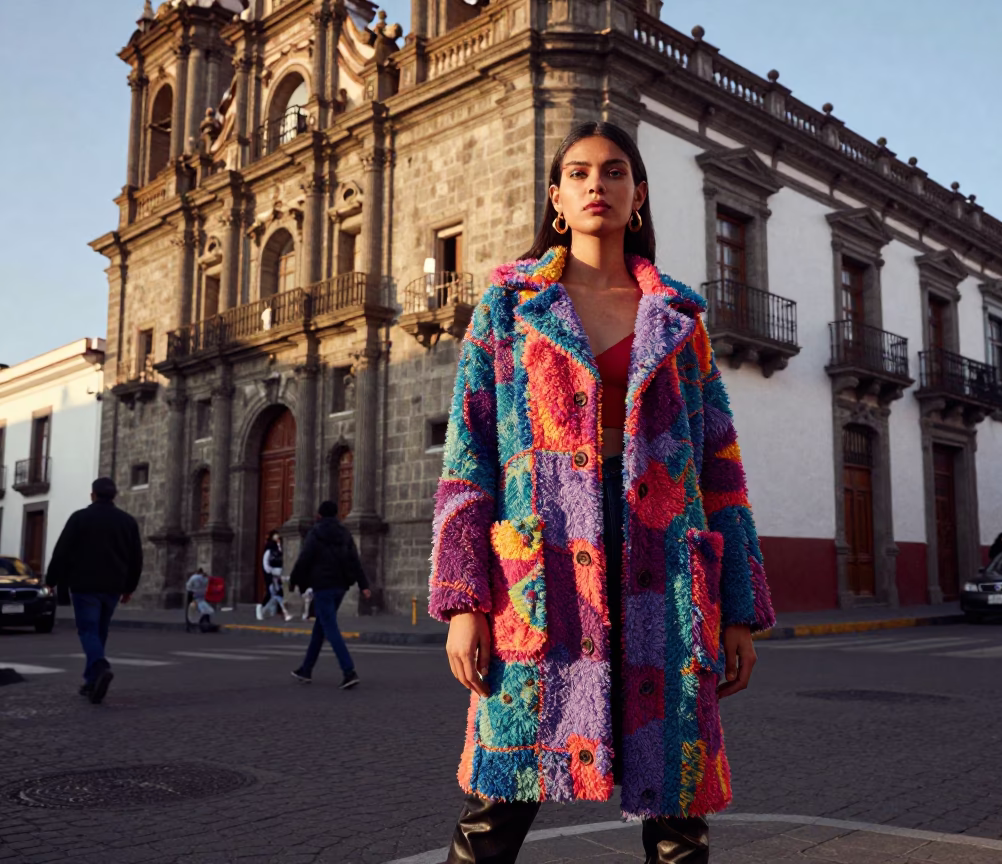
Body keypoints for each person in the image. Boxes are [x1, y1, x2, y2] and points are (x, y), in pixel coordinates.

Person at [428, 122, 775, 863]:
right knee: (502, 791)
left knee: (678, 797)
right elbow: (470, 456)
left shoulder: (679, 320)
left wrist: (739, 610)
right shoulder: (510, 307)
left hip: (667, 568)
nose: (597, 184)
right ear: (557, 197)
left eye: (615, 172)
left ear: (637, 194)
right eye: (579, 173)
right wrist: (463, 602)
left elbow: (722, 469)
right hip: (542, 567)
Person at [45, 477, 143, 705]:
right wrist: (129, 587)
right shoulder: (127, 522)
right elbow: (136, 558)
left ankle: (99, 666)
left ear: (93, 495)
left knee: (88, 631)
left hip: (84, 586)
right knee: (100, 632)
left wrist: (51, 580)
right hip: (113, 588)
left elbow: (62, 551)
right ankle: (91, 682)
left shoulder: (79, 518)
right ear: (114, 496)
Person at [288, 501, 371, 689]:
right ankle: (306, 669)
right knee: (321, 627)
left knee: (331, 629)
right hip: (340, 587)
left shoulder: (315, 534)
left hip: (322, 586)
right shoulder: (345, 534)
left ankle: (349, 671)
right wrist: (363, 585)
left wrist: (294, 580)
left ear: (319, 515)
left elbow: (304, 559)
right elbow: (355, 561)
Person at [257, 530, 286, 621]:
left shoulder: (279, 547)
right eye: (275, 535)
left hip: (279, 573)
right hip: (271, 573)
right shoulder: (269, 548)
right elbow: (265, 562)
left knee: (278, 592)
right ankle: (260, 608)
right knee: (270, 593)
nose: (277, 536)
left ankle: (273, 611)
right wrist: (268, 573)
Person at [186, 567, 218, 633]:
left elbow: (188, 586)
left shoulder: (194, 577)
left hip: (194, 595)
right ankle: (206, 623)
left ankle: (191, 625)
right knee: (205, 609)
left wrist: (192, 590)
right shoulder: (205, 578)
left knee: (192, 611)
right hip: (203, 595)